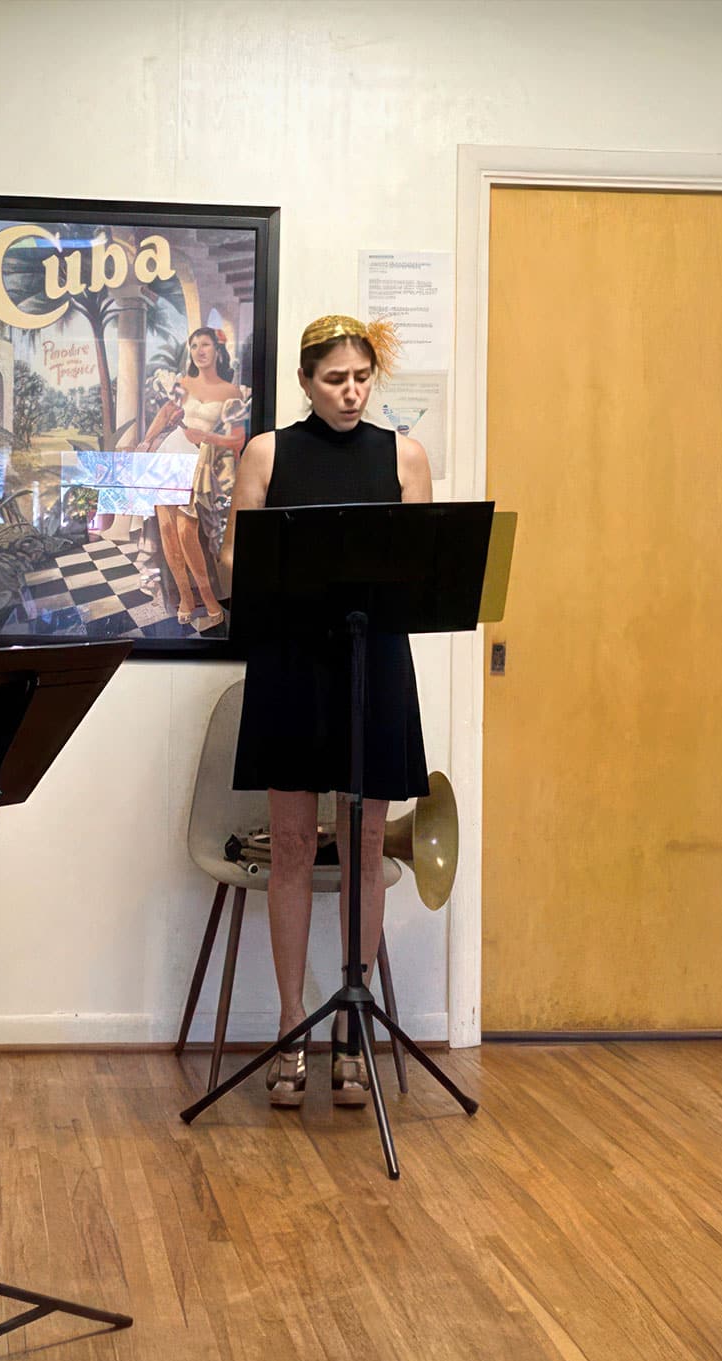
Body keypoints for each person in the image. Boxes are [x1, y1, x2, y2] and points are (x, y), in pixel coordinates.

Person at [223, 314, 430, 1107]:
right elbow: (237, 558)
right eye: (335, 379)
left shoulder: (404, 455)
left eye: (361, 378)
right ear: (306, 383)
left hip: (372, 663)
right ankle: (289, 1027)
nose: (351, 392)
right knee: (289, 851)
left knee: (368, 843)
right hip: (292, 663)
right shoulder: (269, 451)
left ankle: (353, 1029)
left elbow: (418, 565)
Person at [139, 326, 246, 631]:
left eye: (206, 345)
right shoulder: (183, 383)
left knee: (188, 534)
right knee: (168, 532)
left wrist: (205, 435)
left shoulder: (230, 391)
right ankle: (186, 599)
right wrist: (146, 441)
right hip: (169, 455)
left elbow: (237, 440)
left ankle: (209, 601)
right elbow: (166, 412)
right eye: (195, 345)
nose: (200, 351)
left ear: (216, 350)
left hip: (198, 461)